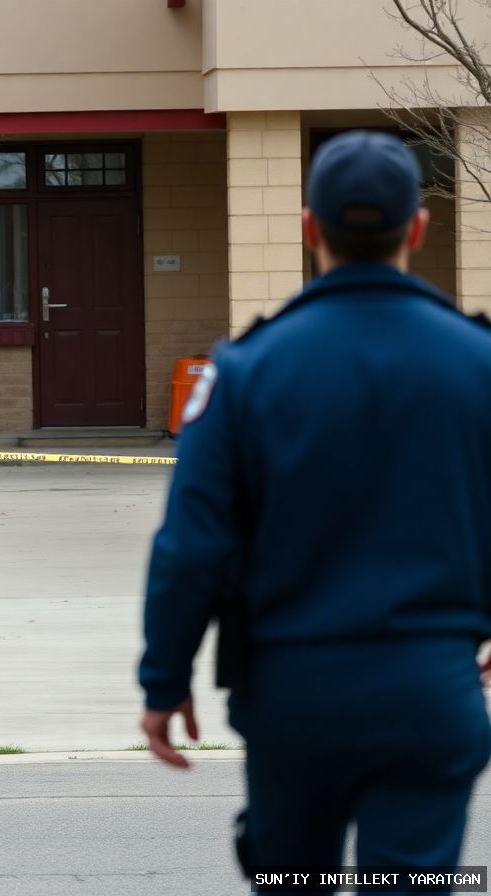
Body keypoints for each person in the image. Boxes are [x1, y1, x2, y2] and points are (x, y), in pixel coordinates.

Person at [138, 130, 491, 892]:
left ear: (309, 227)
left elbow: (190, 546)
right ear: (418, 228)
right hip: (431, 690)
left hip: (293, 696)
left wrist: (164, 681)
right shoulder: (479, 363)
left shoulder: (245, 371)